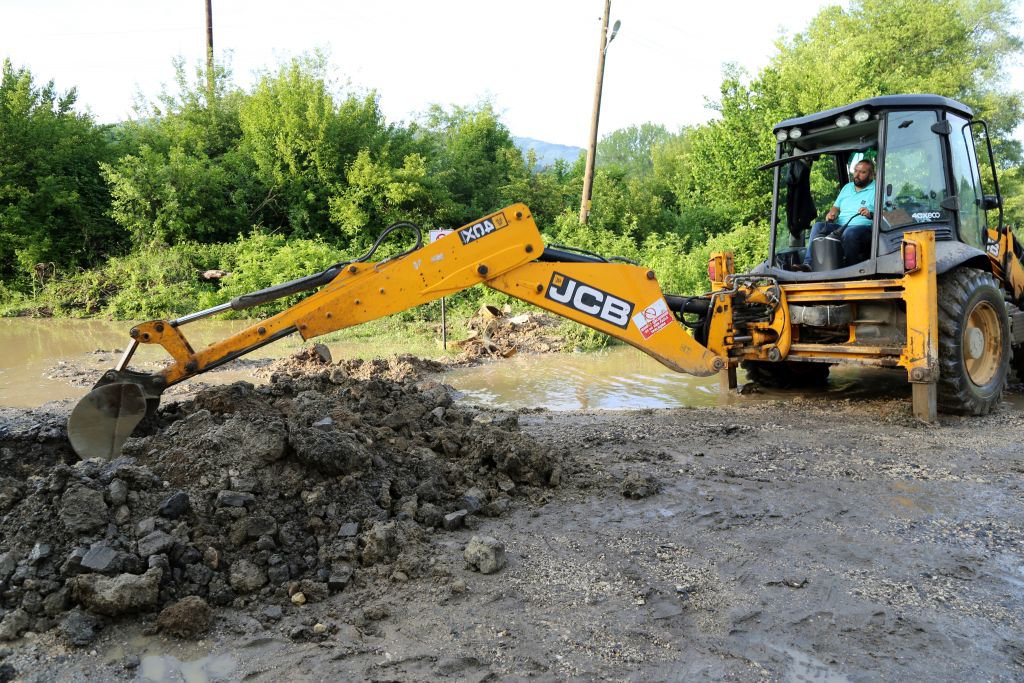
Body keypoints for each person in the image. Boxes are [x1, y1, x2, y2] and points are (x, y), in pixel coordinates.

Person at [803, 159, 876, 266]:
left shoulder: (878, 188)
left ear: (871, 175)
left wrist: (871, 214)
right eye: (856, 171)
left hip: (864, 229)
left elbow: (888, 214)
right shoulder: (847, 187)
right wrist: (832, 214)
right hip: (841, 226)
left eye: (862, 172)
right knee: (818, 226)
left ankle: (851, 269)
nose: (857, 175)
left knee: (850, 233)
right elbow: (836, 208)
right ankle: (808, 264)